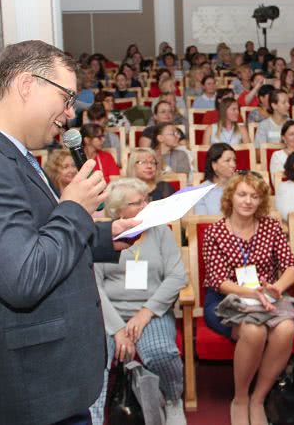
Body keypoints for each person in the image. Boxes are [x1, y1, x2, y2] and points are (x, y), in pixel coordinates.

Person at [0, 40, 138, 425]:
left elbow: (34, 237)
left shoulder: (9, 155)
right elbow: (23, 276)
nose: (70, 113)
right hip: (20, 392)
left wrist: (106, 237)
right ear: (27, 84)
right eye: (66, 97)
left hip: (43, 384)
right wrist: (74, 207)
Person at [203, 172, 294, 425]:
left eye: (254, 196)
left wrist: (277, 287)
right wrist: (253, 293)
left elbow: (292, 266)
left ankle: (259, 397)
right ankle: (240, 398)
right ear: (230, 198)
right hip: (227, 298)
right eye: (242, 194)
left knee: (287, 328)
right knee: (254, 331)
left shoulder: (270, 226)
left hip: (268, 295)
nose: (248, 201)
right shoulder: (214, 232)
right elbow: (218, 280)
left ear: (261, 201)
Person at [90, 178, 188, 425]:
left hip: (150, 311)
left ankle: (174, 399)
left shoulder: (161, 232)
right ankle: (94, 414)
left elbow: (177, 276)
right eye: (137, 203)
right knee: (95, 357)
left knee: (161, 353)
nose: (146, 205)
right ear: (118, 211)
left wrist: (146, 313)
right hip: (107, 314)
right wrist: (118, 330)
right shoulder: (104, 237)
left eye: (146, 200)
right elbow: (95, 287)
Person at [194, 143, 237, 215]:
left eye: (234, 160)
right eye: (227, 160)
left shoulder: (240, 187)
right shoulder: (200, 192)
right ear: (214, 165)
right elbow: (203, 223)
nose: (233, 165)